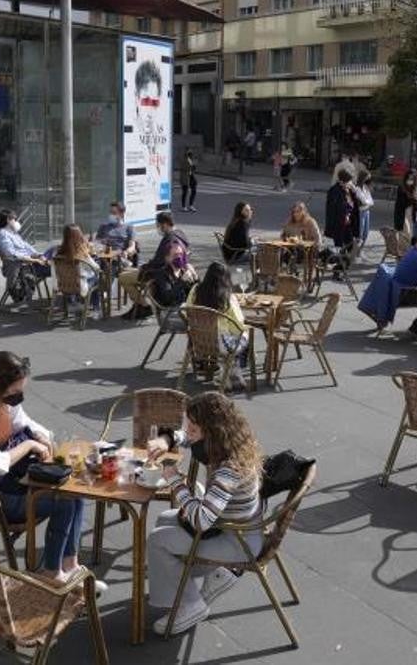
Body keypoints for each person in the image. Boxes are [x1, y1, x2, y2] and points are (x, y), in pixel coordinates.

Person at [0, 352, 97, 586]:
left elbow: (25, 422)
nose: (18, 397)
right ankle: (51, 573)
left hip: (6, 485)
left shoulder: (2, 402)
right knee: (64, 503)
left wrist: (41, 436)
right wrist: (29, 444)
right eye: (14, 392)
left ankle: (69, 564)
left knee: (75, 492)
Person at [144, 392, 263, 635]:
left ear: (212, 432)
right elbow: (188, 437)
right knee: (164, 519)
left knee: (157, 541)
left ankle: (190, 604)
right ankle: (180, 587)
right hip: (239, 526)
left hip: (237, 541)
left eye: (193, 429)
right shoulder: (229, 443)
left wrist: (175, 481)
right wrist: (167, 440)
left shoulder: (228, 469)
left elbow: (202, 521)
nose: (188, 433)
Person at [186, 263, 249, 392]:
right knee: (245, 334)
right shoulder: (227, 297)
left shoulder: (195, 290)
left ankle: (226, 373)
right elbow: (238, 324)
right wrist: (246, 329)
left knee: (232, 336)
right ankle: (235, 371)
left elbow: (188, 309)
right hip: (221, 344)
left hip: (199, 341)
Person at [119, 211, 189, 318]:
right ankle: (139, 303)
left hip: (158, 274)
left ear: (165, 225)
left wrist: (144, 267)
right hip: (169, 272)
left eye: (158, 226)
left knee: (122, 277)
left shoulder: (169, 240)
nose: (158, 229)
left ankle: (143, 305)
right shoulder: (181, 234)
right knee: (126, 271)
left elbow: (159, 263)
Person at [52, 224, 102, 310]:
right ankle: (96, 307)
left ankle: (73, 301)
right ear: (79, 236)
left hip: (61, 285)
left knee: (82, 276)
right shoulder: (81, 252)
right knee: (98, 278)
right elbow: (96, 268)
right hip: (79, 286)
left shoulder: (57, 252)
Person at [0, 209, 51, 279]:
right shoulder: (3, 234)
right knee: (57, 266)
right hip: (24, 266)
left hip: (30, 262)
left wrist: (39, 255)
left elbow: (27, 247)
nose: (16, 221)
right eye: (14, 219)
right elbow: (11, 254)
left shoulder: (14, 234)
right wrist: (35, 260)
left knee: (55, 250)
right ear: (8, 220)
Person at [95, 202, 139, 267]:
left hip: (119, 256)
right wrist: (100, 243)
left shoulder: (129, 227)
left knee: (115, 263)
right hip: (103, 254)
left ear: (122, 214)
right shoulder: (103, 226)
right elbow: (96, 242)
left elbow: (132, 246)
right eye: (110, 212)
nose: (111, 215)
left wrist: (126, 252)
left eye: (114, 213)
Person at [324, 168, 358, 251]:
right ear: (342, 181)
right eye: (349, 181)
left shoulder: (349, 190)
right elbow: (334, 209)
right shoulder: (334, 191)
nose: (351, 183)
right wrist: (344, 215)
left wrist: (354, 192)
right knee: (339, 247)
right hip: (338, 224)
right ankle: (340, 262)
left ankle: (345, 261)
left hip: (348, 224)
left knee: (350, 246)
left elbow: (355, 204)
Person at [353, 170, 375, 248]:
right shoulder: (357, 188)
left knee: (366, 233)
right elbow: (363, 201)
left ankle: (359, 251)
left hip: (367, 211)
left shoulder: (365, 188)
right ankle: (356, 251)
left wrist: (366, 202)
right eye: (367, 178)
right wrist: (366, 201)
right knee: (360, 234)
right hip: (361, 212)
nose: (368, 180)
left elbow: (371, 201)